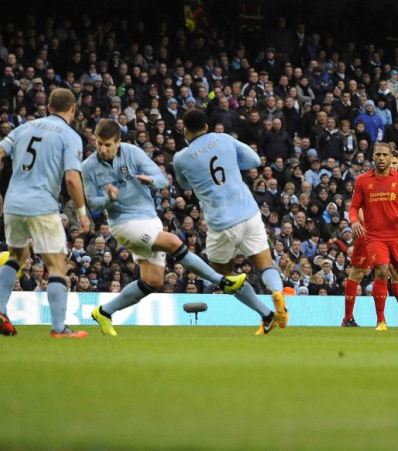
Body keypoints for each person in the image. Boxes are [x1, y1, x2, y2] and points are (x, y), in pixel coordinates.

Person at [83, 119, 247, 336]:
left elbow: (163, 179)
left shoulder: (133, 153)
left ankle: (104, 312)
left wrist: (149, 180)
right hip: (123, 223)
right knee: (174, 242)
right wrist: (109, 199)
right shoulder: (88, 167)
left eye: (108, 145)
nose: (103, 149)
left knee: (153, 280)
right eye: (99, 144)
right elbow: (93, 202)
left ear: (118, 142)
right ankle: (223, 282)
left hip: (149, 218)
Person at [172, 109, 288, 335]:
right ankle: (278, 294)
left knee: (225, 276)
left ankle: (266, 314)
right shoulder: (224, 139)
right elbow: (254, 160)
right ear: (206, 126)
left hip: (220, 223)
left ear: (185, 130)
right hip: (249, 213)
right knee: (265, 264)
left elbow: (185, 186)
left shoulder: (180, 158)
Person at [0, 88, 91, 338]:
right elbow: (72, 180)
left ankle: (0, 309)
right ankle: (59, 328)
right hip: (42, 205)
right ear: (73, 109)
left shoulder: (25, 127)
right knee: (57, 265)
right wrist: (82, 213)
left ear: (50, 106)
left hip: (13, 202)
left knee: (17, 256)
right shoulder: (70, 136)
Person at [349, 142, 398, 331]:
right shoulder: (362, 180)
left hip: (397, 236)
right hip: (374, 236)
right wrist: (354, 221)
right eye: (378, 155)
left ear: (391, 157)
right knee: (381, 271)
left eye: (385, 155)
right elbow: (353, 207)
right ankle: (381, 321)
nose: (381, 158)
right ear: (373, 157)